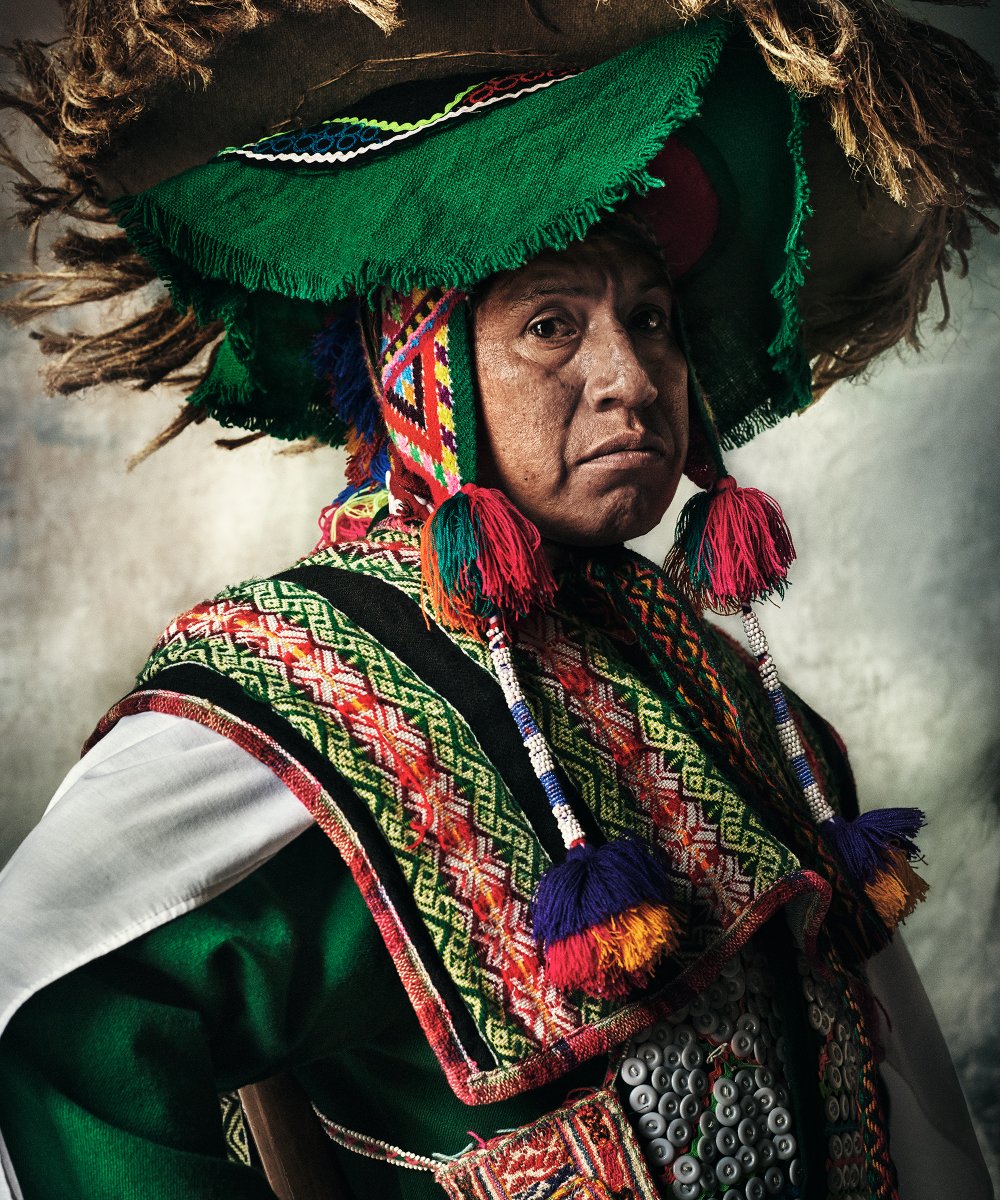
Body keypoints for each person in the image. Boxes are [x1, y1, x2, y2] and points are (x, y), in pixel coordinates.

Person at [0, 9, 996, 1200]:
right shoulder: (303, 687)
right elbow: (52, 1012)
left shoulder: (722, 686)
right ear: (422, 373)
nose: (632, 378)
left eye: (651, 321)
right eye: (552, 324)